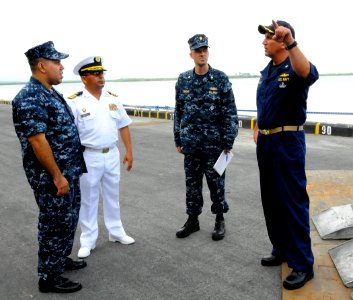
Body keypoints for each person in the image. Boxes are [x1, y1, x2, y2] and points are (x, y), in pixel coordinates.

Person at [12, 41, 87, 293]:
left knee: (67, 220)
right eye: (57, 62)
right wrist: (57, 176)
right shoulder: (29, 96)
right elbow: (37, 140)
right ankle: (48, 277)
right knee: (53, 223)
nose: (62, 67)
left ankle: (59, 260)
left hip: (68, 171)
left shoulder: (49, 92)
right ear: (42, 66)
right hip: (52, 177)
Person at [254, 20, 319, 290]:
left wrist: (291, 41)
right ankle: (280, 248)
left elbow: (310, 74)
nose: (263, 41)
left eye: (269, 37)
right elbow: (267, 102)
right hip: (267, 143)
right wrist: (259, 124)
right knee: (271, 200)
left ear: (282, 41)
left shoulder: (294, 66)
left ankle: (303, 264)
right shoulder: (267, 71)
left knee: (292, 202)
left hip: (287, 142)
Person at [67, 56, 134, 259]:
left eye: (102, 73)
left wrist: (129, 151)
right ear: (84, 77)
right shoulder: (75, 102)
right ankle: (88, 240)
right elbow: (70, 134)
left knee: (112, 196)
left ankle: (116, 231)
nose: (101, 77)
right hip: (89, 156)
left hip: (111, 153)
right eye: (96, 74)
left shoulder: (112, 98)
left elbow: (123, 124)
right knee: (88, 199)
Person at [173, 34, 238, 241]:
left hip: (214, 146)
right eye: (198, 50)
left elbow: (230, 112)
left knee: (216, 184)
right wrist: (178, 139)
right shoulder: (183, 79)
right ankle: (193, 220)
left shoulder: (220, 78)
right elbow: (179, 111)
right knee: (192, 185)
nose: (202, 54)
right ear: (191, 54)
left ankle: (219, 219)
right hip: (191, 145)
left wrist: (228, 141)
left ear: (208, 52)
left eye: (205, 50)